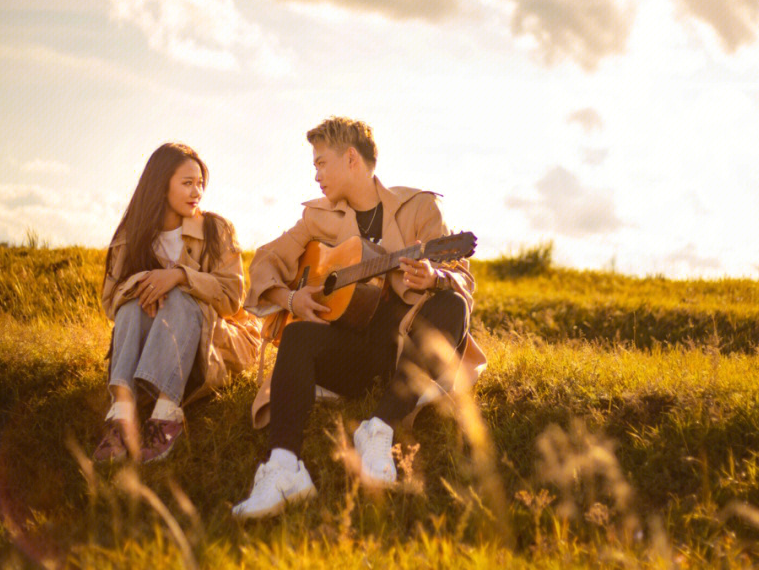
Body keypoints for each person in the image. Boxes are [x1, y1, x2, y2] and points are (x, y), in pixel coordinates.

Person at [232, 117, 486, 519]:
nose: (315, 175)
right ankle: (284, 468)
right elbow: (267, 260)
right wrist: (291, 297)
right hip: (352, 354)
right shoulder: (318, 217)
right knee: (298, 337)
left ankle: (378, 428)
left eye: (321, 163)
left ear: (351, 158)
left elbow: (461, 277)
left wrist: (435, 277)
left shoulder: (419, 206)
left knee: (453, 305)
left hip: (407, 350)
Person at [95, 142, 261, 463]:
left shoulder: (216, 229)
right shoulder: (131, 235)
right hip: (150, 345)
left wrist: (180, 277)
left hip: (206, 347)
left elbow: (231, 298)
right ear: (160, 185)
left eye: (200, 183)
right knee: (131, 305)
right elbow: (110, 302)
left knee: (182, 299)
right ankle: (121, 414)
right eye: (187, 183)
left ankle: (166, 415)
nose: (196, 191)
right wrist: (147, 283)